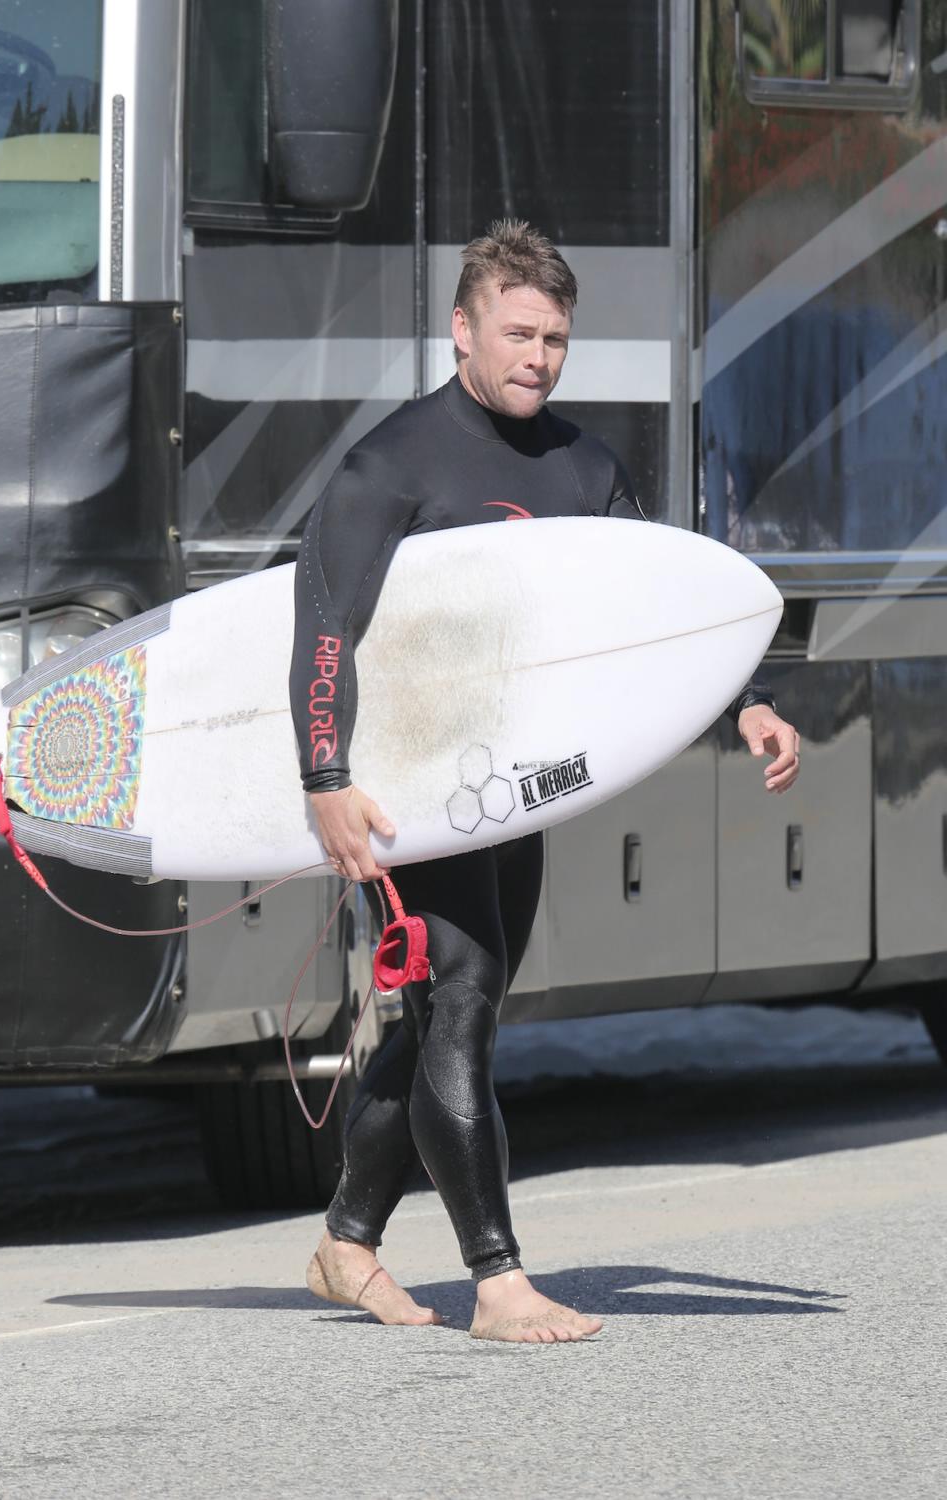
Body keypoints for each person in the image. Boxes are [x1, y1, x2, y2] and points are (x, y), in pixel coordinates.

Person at [288, 220, 800, 1343]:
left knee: (441, 1019)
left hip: (510, 786)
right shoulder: (394, 464)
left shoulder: (581, 464)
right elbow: (321, 626)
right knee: (459, 1001)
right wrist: (325, 776)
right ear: (461, 329)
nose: (537, 356)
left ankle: (346, 1244)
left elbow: (651, 608)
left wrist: (747, 697)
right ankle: (498, 1278)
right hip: (408, 786)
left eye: (555, 339)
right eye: (516, 333)